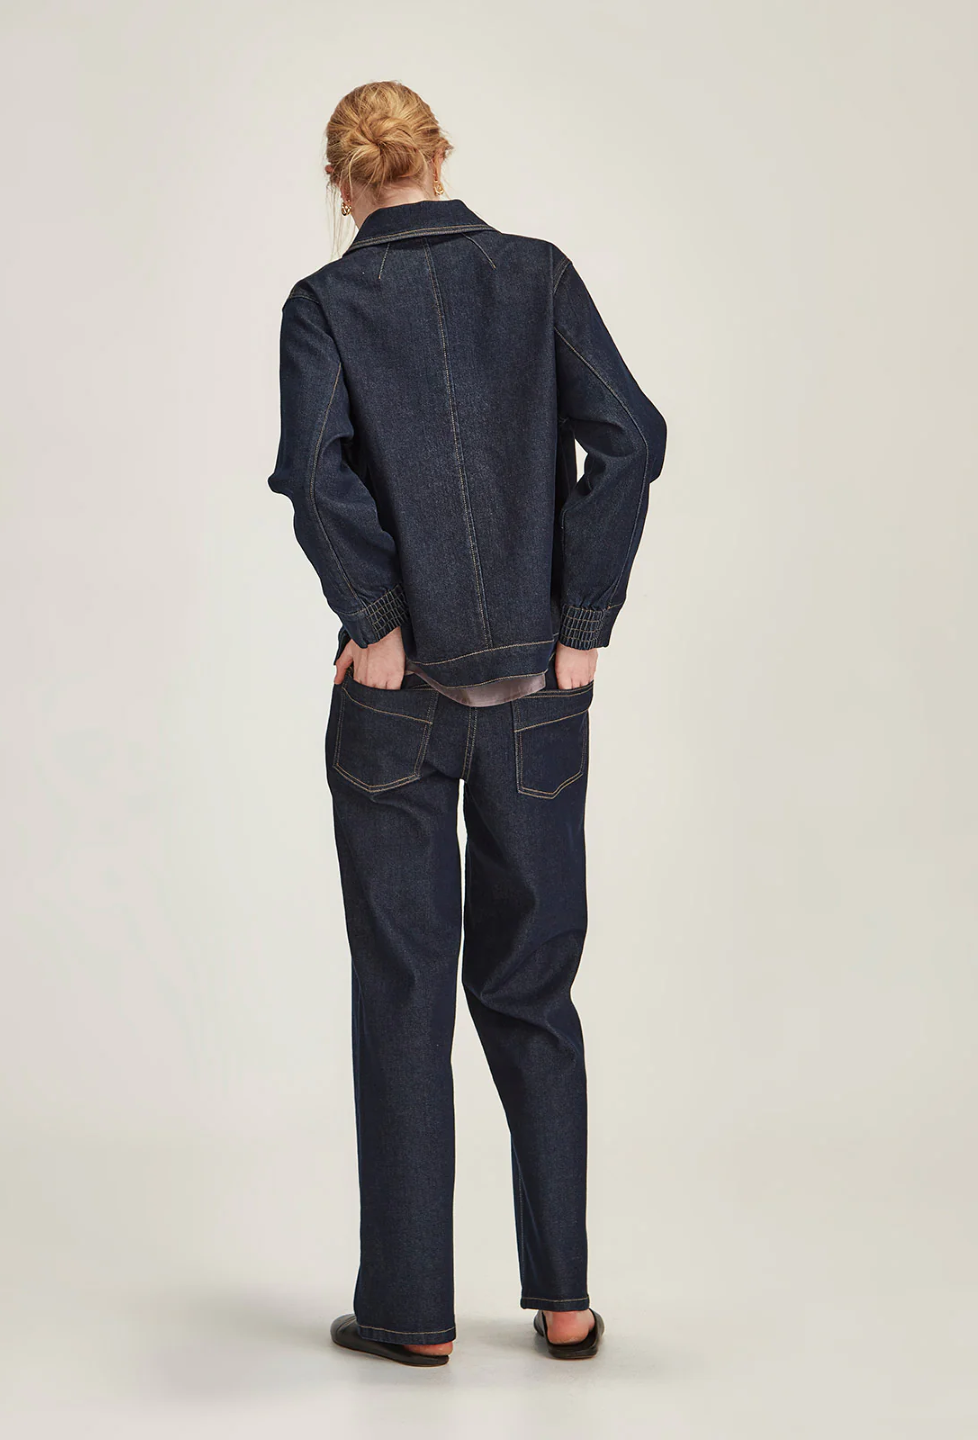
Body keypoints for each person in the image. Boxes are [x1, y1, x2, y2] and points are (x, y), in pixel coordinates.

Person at [267, 80, 667, 1366]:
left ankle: (413, 1315)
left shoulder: (325, 303)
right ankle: (566, 1301)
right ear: (439, 155)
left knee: (403, 990)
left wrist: (376, 616)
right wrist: (581, 625)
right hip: (538, 697)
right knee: (532, 988)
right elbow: (632, 438)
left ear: (343, 184)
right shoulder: (536, 275)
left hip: (398, 702)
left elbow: (313, 473)